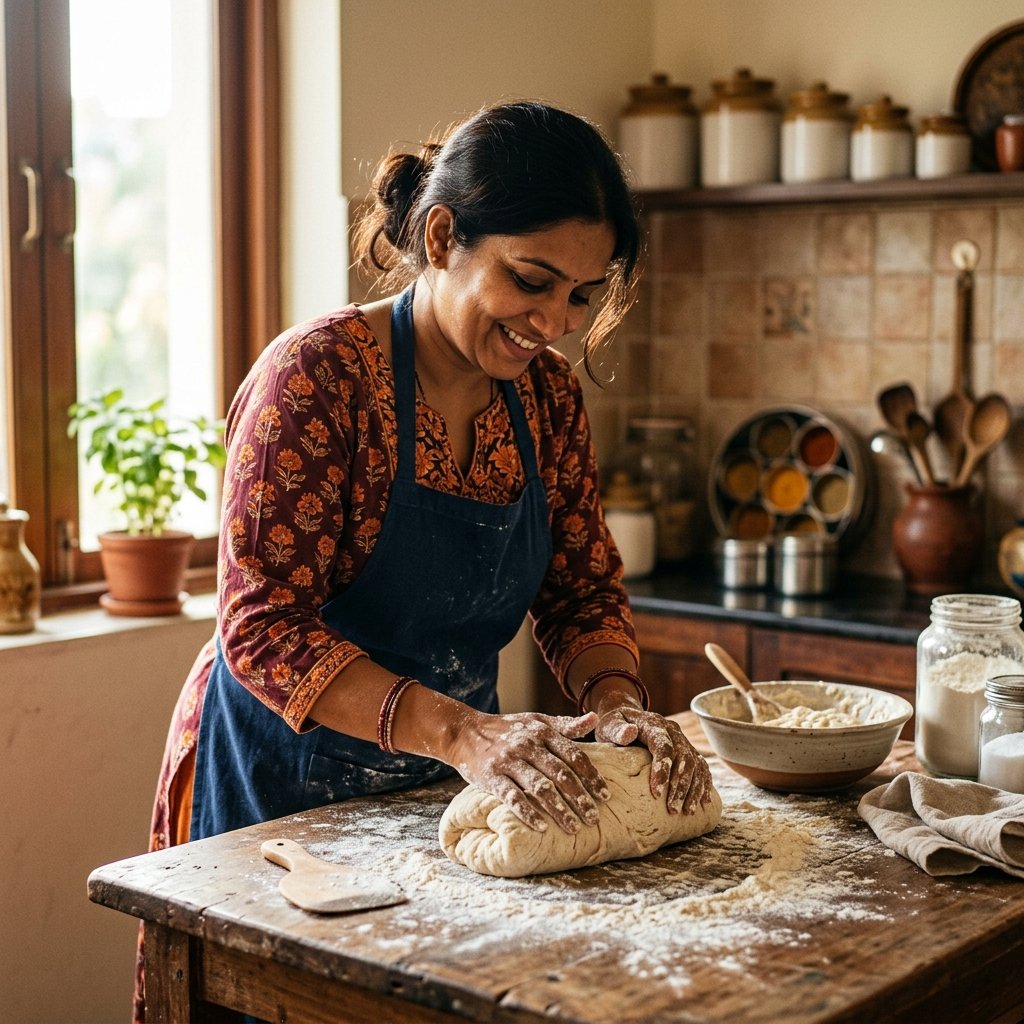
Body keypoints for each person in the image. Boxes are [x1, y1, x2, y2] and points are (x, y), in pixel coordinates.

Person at [134, 100, 713, 1018]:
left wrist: (616, 707)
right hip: (282, 799)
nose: (555, 322)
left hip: (451, 798)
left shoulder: (549, 405)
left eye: (582, 294)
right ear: (443, 235)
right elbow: (262, 626)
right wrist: (466, 733)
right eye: (532, 281)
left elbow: (581, 594)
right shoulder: (318, 381)